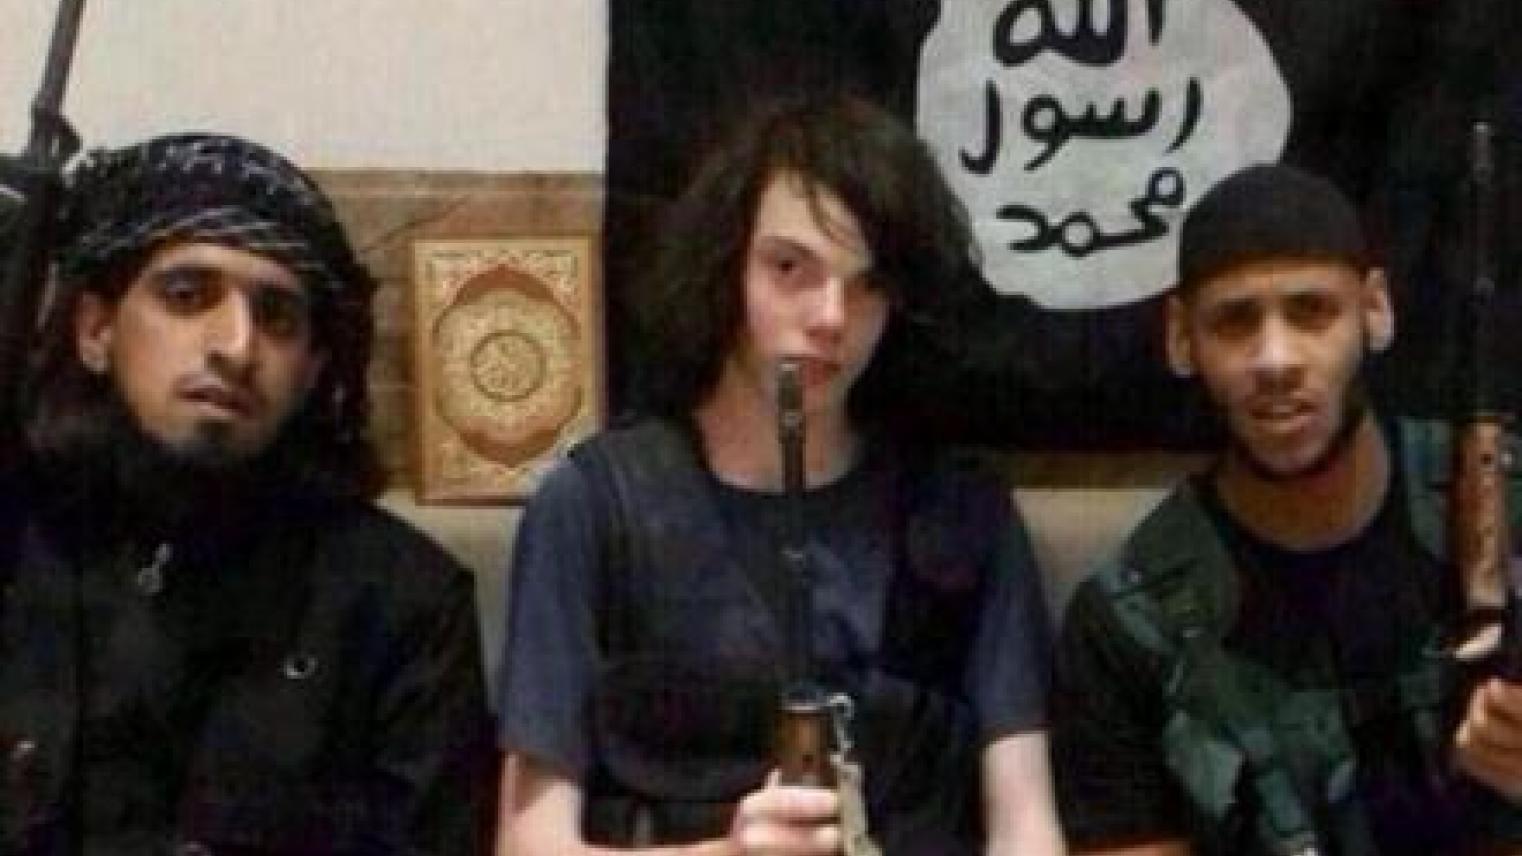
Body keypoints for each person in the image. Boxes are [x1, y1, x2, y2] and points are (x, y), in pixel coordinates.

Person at [495, 94, 1063, 855]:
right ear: (726, 266)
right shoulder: (594, 506)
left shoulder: (962, 508)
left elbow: (1026, 824)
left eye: (868, 283)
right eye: (791, 267)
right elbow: (528, 843)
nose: (831, 316)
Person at [0, 133, 496, 853]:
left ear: (313, 368)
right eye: (187, 296)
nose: (236, 345)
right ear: (97, 329)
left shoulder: (401, 604)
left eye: (278, 316)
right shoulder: (21, 545)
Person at [1050, 162, 1522, 855]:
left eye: (1311, 312)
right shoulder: (1128, 624)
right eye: (1234, 321)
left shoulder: (1502, 513)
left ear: (1375, 310)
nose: (1275, 359)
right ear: (1182, 338)